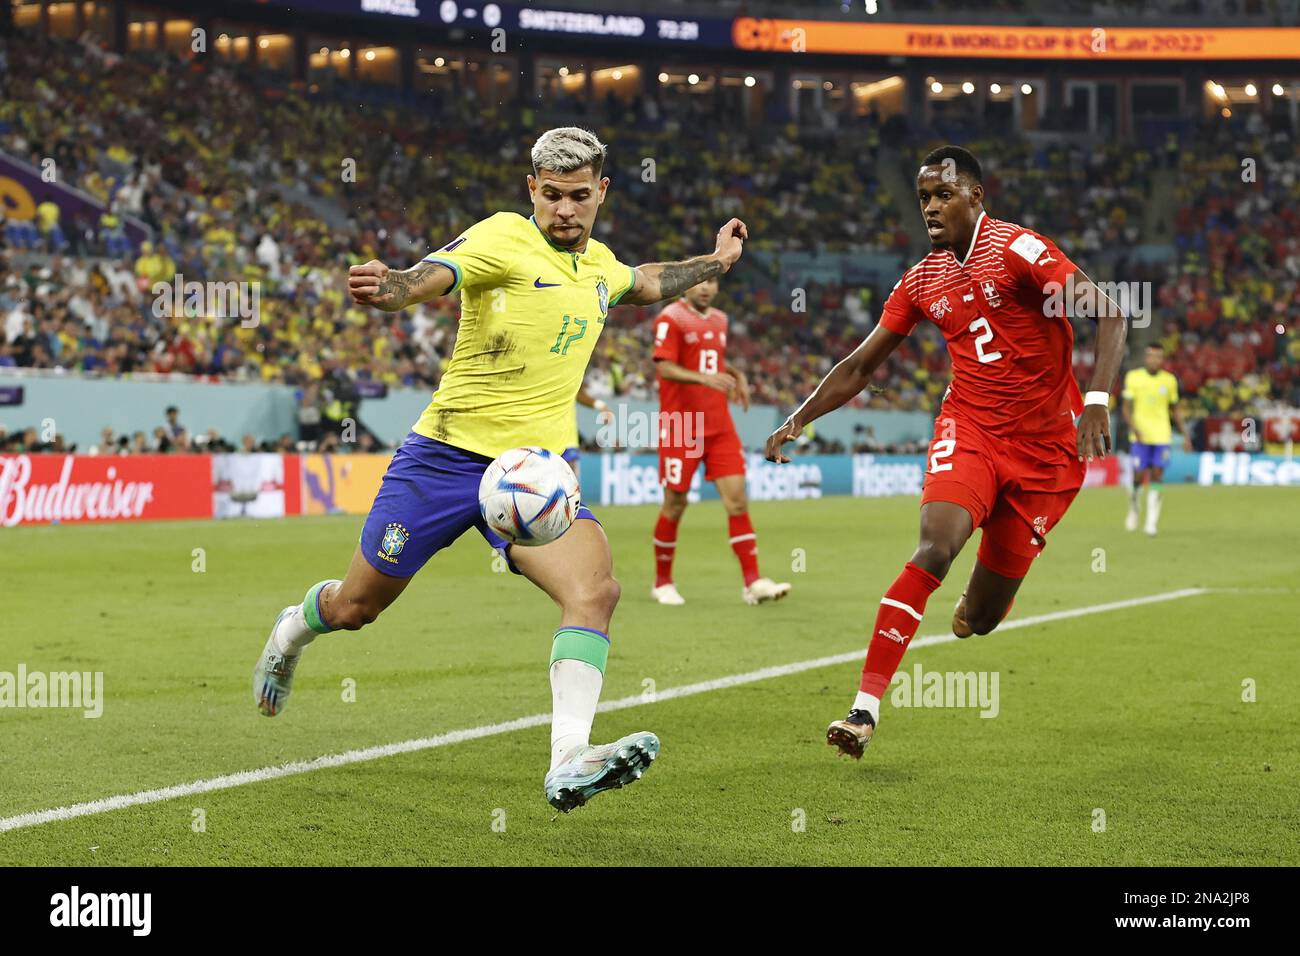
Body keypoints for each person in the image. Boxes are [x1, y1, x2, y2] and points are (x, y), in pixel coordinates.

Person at [252, 127, 750, 811]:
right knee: (356, 607)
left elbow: (649, 281)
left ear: (602, 192)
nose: (565, 210)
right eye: (551, 196)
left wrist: (717, 262)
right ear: (531, 191)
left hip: (534, 477)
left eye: (579, 196)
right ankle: (290, 631)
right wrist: (392, 288)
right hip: (444, 458)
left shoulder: (600, 266)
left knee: (595, 592)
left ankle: (569, 758)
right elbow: (430, 277)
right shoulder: (501, 237)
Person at [765, 145, 1127, 758]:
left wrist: (1096, 400)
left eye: (944, 195)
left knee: (977, 620)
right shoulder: (922, 279)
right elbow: (860, 365)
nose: (931, 207)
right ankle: (863, 709)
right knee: (936, 544)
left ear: (976, 196)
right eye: (924, 197)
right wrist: (799, 417)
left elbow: (1111, 313)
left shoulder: (1020, 251)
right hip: (972, 432)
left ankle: (973, 605)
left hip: (1046, 455)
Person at [650, 275, 790, 606]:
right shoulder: (670, 318)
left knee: (738, 500)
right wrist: (704, 379)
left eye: (712, 281)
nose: (706, 287)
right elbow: (665, 367)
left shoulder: (720, 319)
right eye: (700, 281)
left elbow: (708, 359)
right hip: (682, 426)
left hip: (720, 426)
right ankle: (662, 581)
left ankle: (752, 582)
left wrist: (736, 375)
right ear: (686, 285)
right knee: (675, 504)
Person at [1121, 344, 1189, 536]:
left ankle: (1151, 522)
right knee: (1138, 476)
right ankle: (1134, 509)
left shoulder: (1169, 381)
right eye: (1151, 356)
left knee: (1158, 475)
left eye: (1158, 357)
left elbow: (1174, 409)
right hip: (1139, 436)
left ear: (1162, 359)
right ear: (1145, 358)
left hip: (1161, 436)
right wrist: (1134, 427)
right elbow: (1126, 408)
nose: (1154, 360)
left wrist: (1185, 434)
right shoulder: (1134, 377)